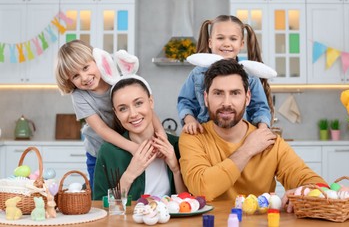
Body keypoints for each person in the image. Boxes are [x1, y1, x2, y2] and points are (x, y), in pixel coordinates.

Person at [179, 59, 327, 212]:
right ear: (206, 98)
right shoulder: (193, 137)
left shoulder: (268, 141)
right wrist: (248, 149)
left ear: (247, 97)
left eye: (235, 93)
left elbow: (308, 179)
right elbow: (202, 189)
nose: (226, 102)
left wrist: (306, 191)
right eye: (218, 93)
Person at [55, 40, 166, 190]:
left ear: (97, 60)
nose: (85, 77)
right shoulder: (79, 96)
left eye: (86, 68)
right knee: (100, 195)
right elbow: (101, 129)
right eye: (75, 76)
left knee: (128, 187)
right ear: (70, 80)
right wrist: (133, 147)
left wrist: (162, 136)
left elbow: (148, 109)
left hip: (124, 143)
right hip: (98, 151)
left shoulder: (117, 80)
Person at [93, 76, 186, 200]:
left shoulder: (178, 145)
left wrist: (176, 169)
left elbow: (189, 204)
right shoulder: (108, 152)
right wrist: (129, 175)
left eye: (138, 103)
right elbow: (101, 207)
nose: (133, 114)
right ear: (116, 113)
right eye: (123, 108)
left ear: (151, 102)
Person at [177, 15, 273, 135]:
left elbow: (260, 107)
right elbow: (185, 101)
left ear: (241, 44)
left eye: (233, 39)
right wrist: (190, 120)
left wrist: (263, 128)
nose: (226, 43)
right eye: (220, 38)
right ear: (210, 42)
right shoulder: (197, 73)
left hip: (240, 138)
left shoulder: (250, 75)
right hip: (205, 136)